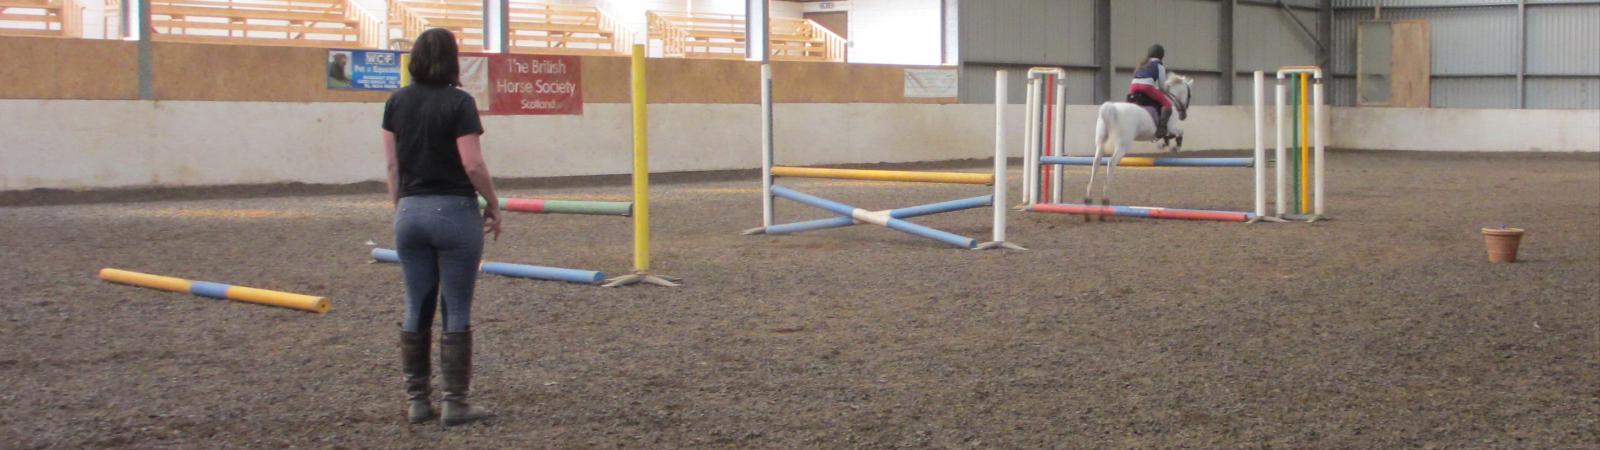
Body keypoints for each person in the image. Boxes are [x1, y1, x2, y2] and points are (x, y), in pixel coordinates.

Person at [382, 27, 501, 427]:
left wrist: (403, 209)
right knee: (456, 305)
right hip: (453, 213)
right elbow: (472, 164)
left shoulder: (395, 102)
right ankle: (455, 402)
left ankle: (417, 400)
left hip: (410, 213)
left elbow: (393, 167)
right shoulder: (460, 103)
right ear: (452, 60)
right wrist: (493, 202)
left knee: (416, 304)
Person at [1128, 44, 1174, 138]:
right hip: (1146, 87)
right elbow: (1162, 86)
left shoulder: (1142, 63)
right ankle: (1162, 129)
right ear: (1161, 55)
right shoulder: (1159, 65)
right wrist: (1166, 89)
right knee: (1168, 105)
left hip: (1133, 86)